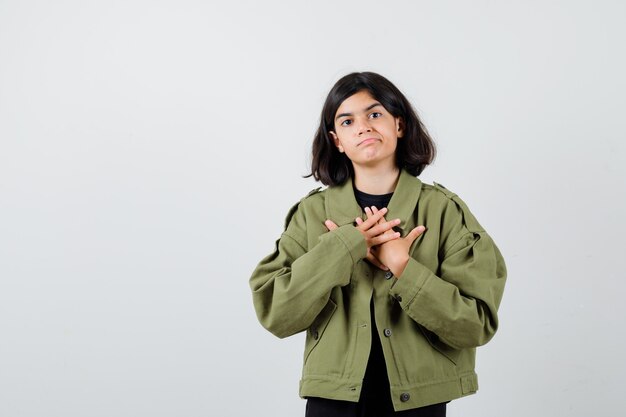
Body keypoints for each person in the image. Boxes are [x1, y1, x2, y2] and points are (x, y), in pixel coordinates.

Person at [249, 72, 507, 417]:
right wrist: (342, 247)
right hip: (333, 403)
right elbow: (276, 313)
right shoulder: (312, 214)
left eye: (375, 114)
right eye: (347, 120)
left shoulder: (444, 210)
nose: (363, 127)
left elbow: (476, 325)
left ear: (398, 125)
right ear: (336, 140)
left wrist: (404, 268)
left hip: (420, 402)